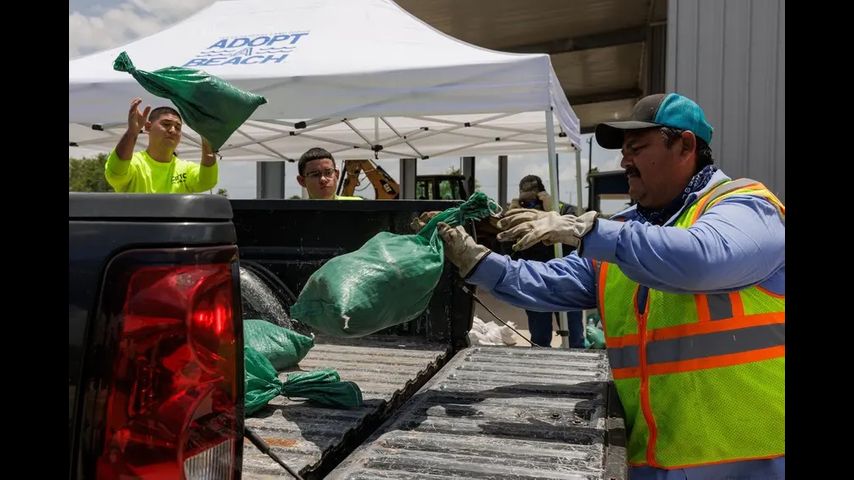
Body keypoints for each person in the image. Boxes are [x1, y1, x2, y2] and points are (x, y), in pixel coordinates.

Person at [435, 93, 784, 479]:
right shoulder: (630, 228)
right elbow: (553, 282)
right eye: (623, 151)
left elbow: (703, 260)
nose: (624, 161)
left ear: (685, 145)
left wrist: (585, 230)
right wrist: (478, 262)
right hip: (651, 462)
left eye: (637, 148)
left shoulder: (747, 207)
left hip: (749, 464)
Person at [508, 175, 584, 348]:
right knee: (540, 339)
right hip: (535, 283)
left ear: (543, 194)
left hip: (566, 282)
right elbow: (509, 252)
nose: (531, 205)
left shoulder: (564, 210)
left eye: (533, 199)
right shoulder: (521, 216)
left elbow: (578, 239)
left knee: (575, 338)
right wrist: (510, 221)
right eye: (525, 201)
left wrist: (553, 213)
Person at [105, 97, 218, 193]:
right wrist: (132, 133)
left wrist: (206, 139)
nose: (173, 130)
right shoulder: (135, 163)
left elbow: (207, 182)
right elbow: (115, 175)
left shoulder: (186, 168)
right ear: (148, 127)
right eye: (166, 124)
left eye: (178, 127)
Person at [296, 147, 362, 200]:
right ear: (302, 181)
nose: (323, 179)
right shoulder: (295, 213)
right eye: (315, 174)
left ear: (337, 174)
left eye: (328, 173)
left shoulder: (357, 206)